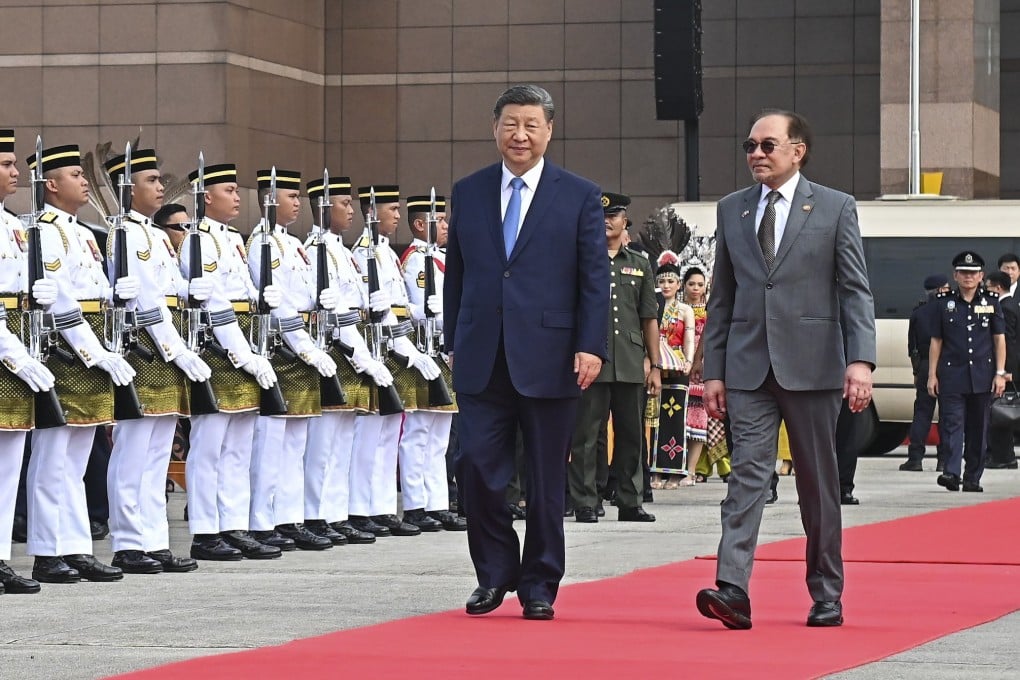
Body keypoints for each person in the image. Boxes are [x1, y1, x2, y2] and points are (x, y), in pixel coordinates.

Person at [696, 109, 876, 630]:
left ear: (797, 151)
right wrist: (713, 370)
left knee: (819, 485)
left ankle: (826, 593)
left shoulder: (835, 207)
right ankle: (732, 589)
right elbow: (722, 297)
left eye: (767, 145)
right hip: (749, 369)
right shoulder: (731, 210)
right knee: (746, 479)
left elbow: (855, 290)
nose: (756, 154)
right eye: (749, 145)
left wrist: (859, 361)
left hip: (814, 367)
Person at [445, 84, 609, 621]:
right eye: (510, 123)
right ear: (494, 129)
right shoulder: (468, 192)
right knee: (478, 469)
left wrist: (591, 345)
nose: (520, 134)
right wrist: (453, 340)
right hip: (481, 355)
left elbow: (593, 278)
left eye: (531, 125)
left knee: (544, 480)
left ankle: (540, 583)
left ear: (549, 131)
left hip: (552, 356)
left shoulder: (579, 194)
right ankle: (493, 575)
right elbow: (459, 277)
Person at [25, 143, 141, 584]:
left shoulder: (82, 233)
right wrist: (95, 353)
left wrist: (118, 296)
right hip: (68, 349)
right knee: (53, 458)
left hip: (93, 345)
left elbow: (90, 294)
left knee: (76, 459)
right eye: (75, 175)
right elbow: (60, 302)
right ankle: (46, 550)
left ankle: (73, 546)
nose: (85, 181)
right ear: (51, 185)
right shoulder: (46, 231)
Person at [102, 149, 211, 574]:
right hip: (145, 349)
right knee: (133, 451)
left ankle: (153, 538)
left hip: (169, 346)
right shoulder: (123, 234)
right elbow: (144, 303)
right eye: (150, 180)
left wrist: (190, 290)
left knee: (157, 452)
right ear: (128, 187)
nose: (160, 186)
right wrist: (177, 350)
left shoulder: (156, 236)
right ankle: (129, 542)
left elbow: (168, 292)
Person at [181, 162, 282, 561]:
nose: (237, 197)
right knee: (210, 445)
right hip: (219, 348)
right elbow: (212, 303)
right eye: (228, 190)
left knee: (239, 445)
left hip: (244, 339)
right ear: (206, 197)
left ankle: (233, 523)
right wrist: (240, 351)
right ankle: (206, 530)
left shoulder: (233, 239)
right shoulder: (199, 238)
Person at [246, 169, 337, 552]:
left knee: (295, 443)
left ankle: (288, 517)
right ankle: (262, 520)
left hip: (303, 346)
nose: (297, 202)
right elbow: (276, 306)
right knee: (270, 445)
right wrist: (304, 346)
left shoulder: (293, 243)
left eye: (298, 196)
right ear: (268, 200)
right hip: (283, 348)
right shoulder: (260, 243)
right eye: (289, 195)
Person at [302, 175, 385, 545]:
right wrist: (359, 352)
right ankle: (316, 514)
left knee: (342, 442)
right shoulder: (315, 249)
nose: (351, 210)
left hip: (353, 349)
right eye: (344, 204)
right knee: (322, 445)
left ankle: (335, 513)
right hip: (336, 350)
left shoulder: (344, 252)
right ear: (322, 207)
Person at [567, 191, 660, 524]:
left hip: (631, 360)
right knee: (587, 435)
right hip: (593, 360)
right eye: (602, 216)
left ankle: (630, 499)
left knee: (632, 434)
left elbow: (649, 316)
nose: (607, 221)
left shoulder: (639, 263)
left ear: (625, 221)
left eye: (614, 215)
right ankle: (585, 500)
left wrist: (656, 364)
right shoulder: (580, 261)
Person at [0, 128, 59, 594]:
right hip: (7, 350)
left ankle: (0, 556)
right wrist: (13, 354)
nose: (16, 172)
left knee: (9, 461)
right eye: (6, 165)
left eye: (16, 164)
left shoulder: (16, 225)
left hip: (21, 344)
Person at [398, 194, 466, 532]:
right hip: (425, 352)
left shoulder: (438, 259)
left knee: (439, 438)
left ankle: (437, 502)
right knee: (419, 433)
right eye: (438, 220)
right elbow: (417, 310)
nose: (445, 226)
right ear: (419, 224)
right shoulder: (414, 261)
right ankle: (415, 504)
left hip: (444, 352)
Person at [928, 251, 1006, 493]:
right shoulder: (944, 303)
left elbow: (999, 340)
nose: (968, 277)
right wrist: (932, 374)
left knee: (978, 428)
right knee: (952, 425)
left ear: (981, 276)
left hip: (982, 375)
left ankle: (973, 476)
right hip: (952, 375)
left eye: (973, 273)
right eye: (963, 272)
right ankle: (951, 472)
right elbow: (936, 341)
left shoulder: (991, 302)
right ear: (955, 275)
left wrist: (1000, 373)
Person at [648, 251, 695, 490]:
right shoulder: (652, 304)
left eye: (670, 281)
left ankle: (675, 471)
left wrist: (689, 360)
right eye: (661, 281)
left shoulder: (685, 309)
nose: (666, 285)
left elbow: (689, 337)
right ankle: (655, 470)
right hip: (656, 367)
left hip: (677, 366)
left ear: (679, 284)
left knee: (675, 419)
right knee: (653, 420)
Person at [900, 274, 951, 472]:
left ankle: (915, 458)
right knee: (947, 413)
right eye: (946, 287)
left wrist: (916, 371)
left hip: (923, 365)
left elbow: (911, 346)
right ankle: (944, 460)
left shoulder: (918, 312)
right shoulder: (949, 310)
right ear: (939, 290)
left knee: (922, 412)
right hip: (947, 365)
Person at [983, 270, 1020, 469]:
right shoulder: (1014, 304)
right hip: (1009, 369)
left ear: (997, 288)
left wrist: (1004, 371)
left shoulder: (1005, 308)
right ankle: (1005, 456)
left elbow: (1009, 344)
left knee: (999, 414)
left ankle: (1002, 457)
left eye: (988, 287)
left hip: (1005, 370)